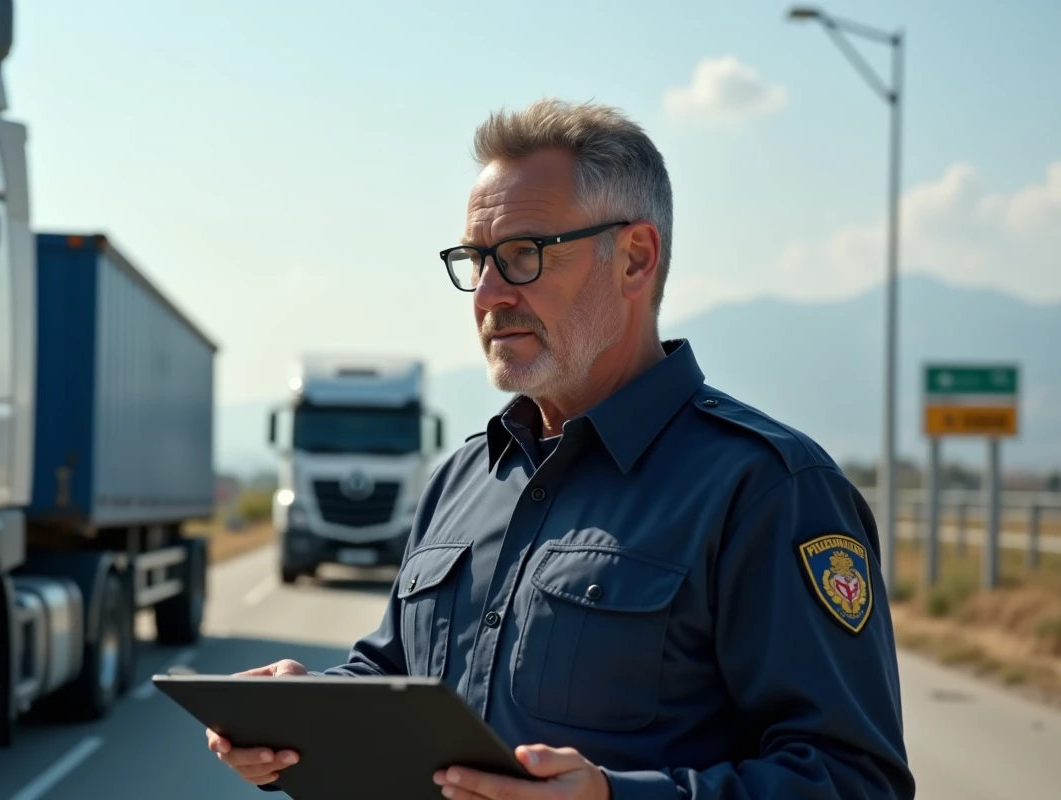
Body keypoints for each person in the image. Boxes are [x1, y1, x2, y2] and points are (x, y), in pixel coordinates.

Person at [208, 98, 915, 799]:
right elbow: (400, 677)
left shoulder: (768, 489)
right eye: (475, 260)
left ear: (635, 258)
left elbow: (855, 781)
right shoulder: (462, 478)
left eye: (521, 256)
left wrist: (616, 797)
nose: (486, 294)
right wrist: (306, 711)